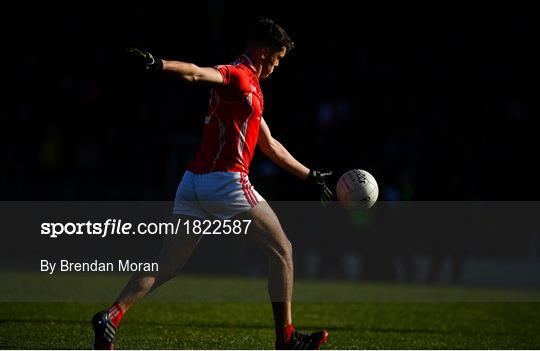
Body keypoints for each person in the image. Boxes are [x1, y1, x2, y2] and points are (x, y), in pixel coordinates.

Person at [92, 17, 332, 350]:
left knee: (168, 265)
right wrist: (159, 63)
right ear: (264, 52)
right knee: (283, 250)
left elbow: (270, 145)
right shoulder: (238, 75)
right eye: (276, 60)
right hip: (226, 181)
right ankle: (286, 339)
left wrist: (310, 175)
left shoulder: (249, 89)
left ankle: (111, 315)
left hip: (193, 182)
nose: (276, 68)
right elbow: (195, 71)